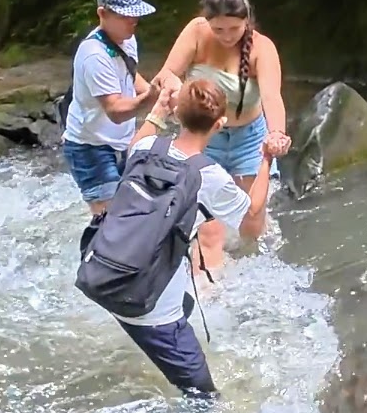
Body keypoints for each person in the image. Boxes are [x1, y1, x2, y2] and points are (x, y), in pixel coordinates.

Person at [101, 78, 270, 396]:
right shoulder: (210, 176)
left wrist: (159, 110)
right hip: (151, 308)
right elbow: (253, 219)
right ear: (219, 124)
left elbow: (133, 148)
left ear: (177, 115)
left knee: (188, 301)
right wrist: (266, 159)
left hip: (106, 276)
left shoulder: (145, 147)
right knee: (205, 398)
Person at [155, 0, 290, 269]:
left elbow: (271, 96)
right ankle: (205, 273)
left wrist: (277, 134)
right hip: (203, 135)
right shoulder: (196, 31)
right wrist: (173, 85)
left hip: (249, 137)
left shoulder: (261, 48)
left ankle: (251, 274)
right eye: (218, 30)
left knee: (251, 227)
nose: (226, 36)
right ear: (207, 21)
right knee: (202, 217)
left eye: (234, 29)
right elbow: (166, 73)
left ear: (246, 20)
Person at [62, 0, 163, 213]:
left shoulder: (127, 40)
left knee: (127, 214)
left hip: (119, 144)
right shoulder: (94, 55)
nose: (133, 21)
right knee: (108, 223)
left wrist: (156, 92)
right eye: (124, 16)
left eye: (135, 14)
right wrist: (151, 99)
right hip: (90, 149)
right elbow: (115, 111)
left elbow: (130, 73)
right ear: (102, 14)